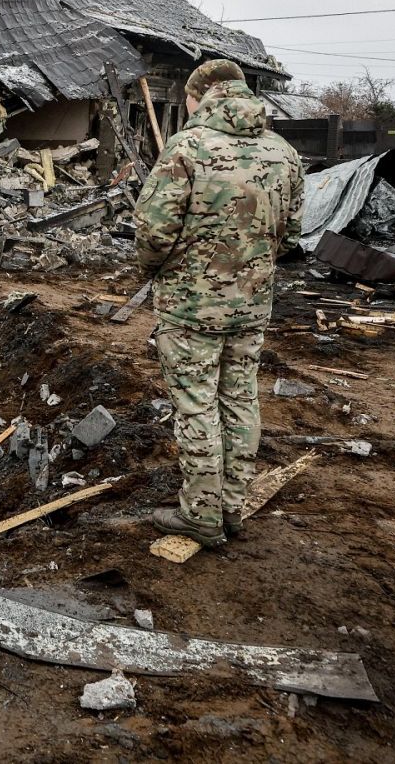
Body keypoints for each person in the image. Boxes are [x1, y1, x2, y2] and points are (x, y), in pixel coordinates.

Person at [133, 59, 304, 547]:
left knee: (196, 403)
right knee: (241, 397)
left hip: (191, 307)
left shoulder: (187, 148)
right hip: (252, 305)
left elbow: (153, 231)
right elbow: (291, 234)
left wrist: (153, 270)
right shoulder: (283, 152)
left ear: (197, 97)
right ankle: (231, 507)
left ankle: (201, 515)